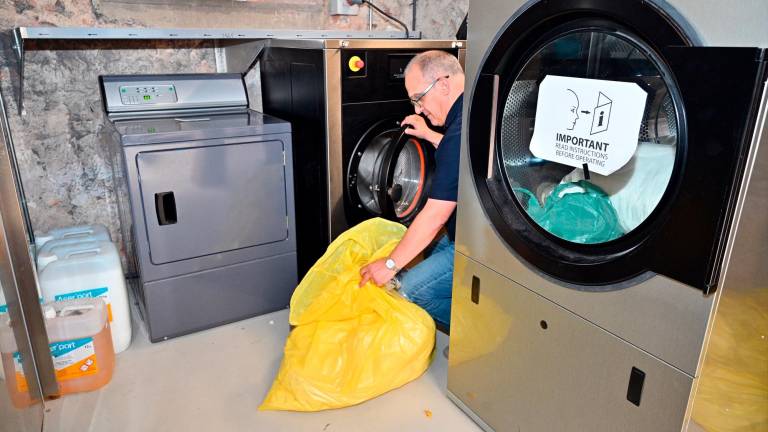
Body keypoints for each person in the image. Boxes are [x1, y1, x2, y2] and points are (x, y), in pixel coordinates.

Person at [359, 50, 464, 331]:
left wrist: (390, 265)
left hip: (476, 247)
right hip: (476, 232)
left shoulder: (459, 131)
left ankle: (477, 337)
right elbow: (464, 160)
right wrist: (430, 135)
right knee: (423, 246)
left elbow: (435, 216)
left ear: (443, 84)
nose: (418, 110)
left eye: (419, 98)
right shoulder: (470, 111)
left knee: (413, 290)